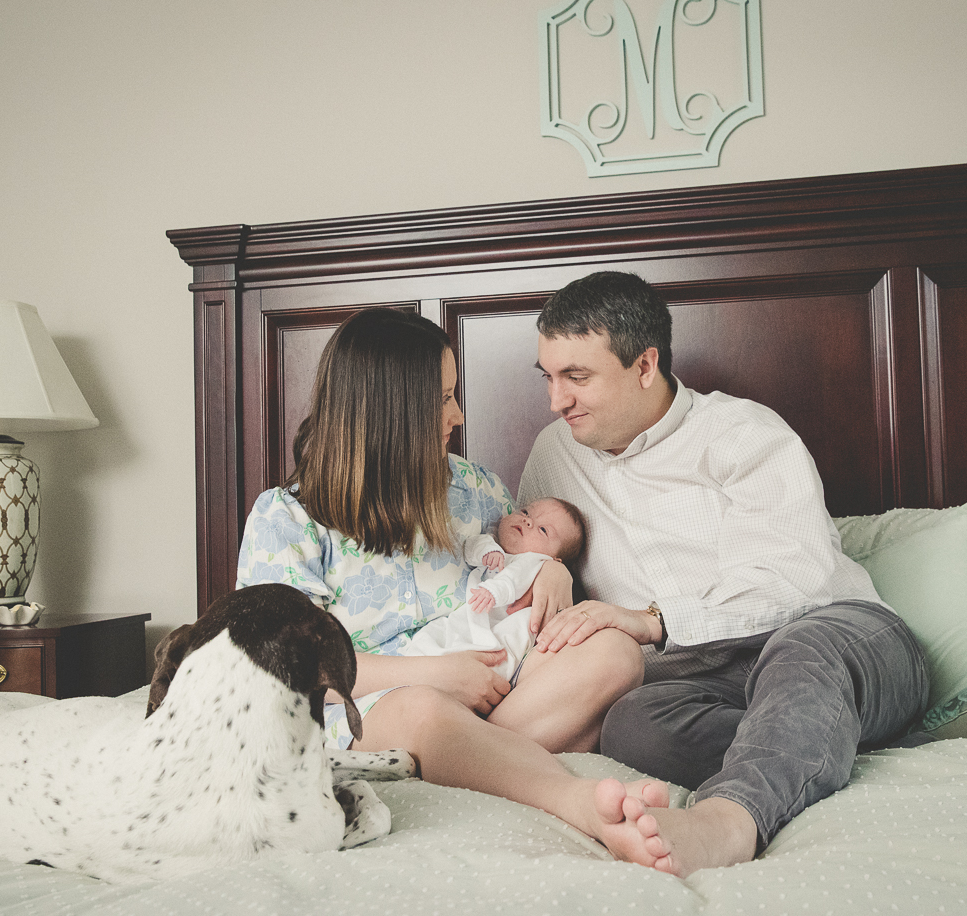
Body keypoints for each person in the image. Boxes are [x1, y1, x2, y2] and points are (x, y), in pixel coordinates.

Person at [517, 271, 930, 877]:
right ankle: (861, 742)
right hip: (702, 684)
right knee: (630, 724)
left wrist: (653, 621)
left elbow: (797, 583)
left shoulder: (743, 433)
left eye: (578, 377)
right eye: (549, 377)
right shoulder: (554, 454)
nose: (557, 400)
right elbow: (515, 551)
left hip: (840, 639)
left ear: (644, 365)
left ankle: (729, 821)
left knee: (801, 646)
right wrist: (542, 569)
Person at [234, 307, 669, 853]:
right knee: (425, 710)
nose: (458, 414)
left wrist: (552, 571)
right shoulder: (287, 519)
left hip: (493, 692)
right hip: (370, 708)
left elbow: (522, 568)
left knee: (615, 654)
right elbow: (280, 667)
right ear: (389, 410)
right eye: (442, 398)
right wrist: (435, 675)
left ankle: (465, 757)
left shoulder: (477, 490)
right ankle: (571, 800)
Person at [402, 497, 586, 682]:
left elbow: (515, 577)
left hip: (505, 621)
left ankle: (487, 675)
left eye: (543, 530)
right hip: (472, 615)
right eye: (525, 512)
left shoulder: (537, 562)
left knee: (511, 641)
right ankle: (418, 670)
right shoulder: (493, 543)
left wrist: (494, 592)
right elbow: (472, 545)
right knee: (434, 634)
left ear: (555, 559)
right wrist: (488, 552)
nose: (528, 521)